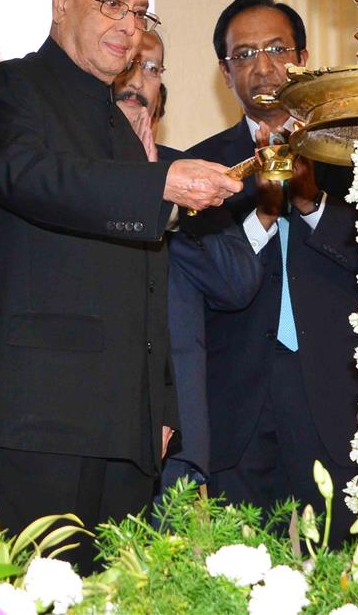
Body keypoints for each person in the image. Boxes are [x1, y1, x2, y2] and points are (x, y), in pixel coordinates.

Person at [0, 0, 241, 573]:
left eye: (140, 12)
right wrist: (157, 183)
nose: (129, 27)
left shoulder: (120, 123)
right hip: (32, 415)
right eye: (112, 4)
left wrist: (160, 409)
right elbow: (27, 176)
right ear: (62, 0)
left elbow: (146, 278)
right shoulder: (7, 88)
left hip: (125, 426)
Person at [189, 0, 358, 540]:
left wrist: (311, 206)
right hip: (238, 398)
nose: (261, 66)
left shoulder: (351, 152)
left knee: (343, 574)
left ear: (303, 58)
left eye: (275, 49)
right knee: (239, 574)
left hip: (330, 395)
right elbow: (205, 279)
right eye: (243, 55)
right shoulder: (201, 166)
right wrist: (264, 213)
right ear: (224, 72)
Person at [113, 35, 262, 496]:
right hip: (82, 428)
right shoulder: (61, 175)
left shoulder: (191, 175)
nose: (139, 78)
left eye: (153, 68)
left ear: (160, 103)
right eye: (131, 63)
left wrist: (171, 204)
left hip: (174, 439)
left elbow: (238, 284)